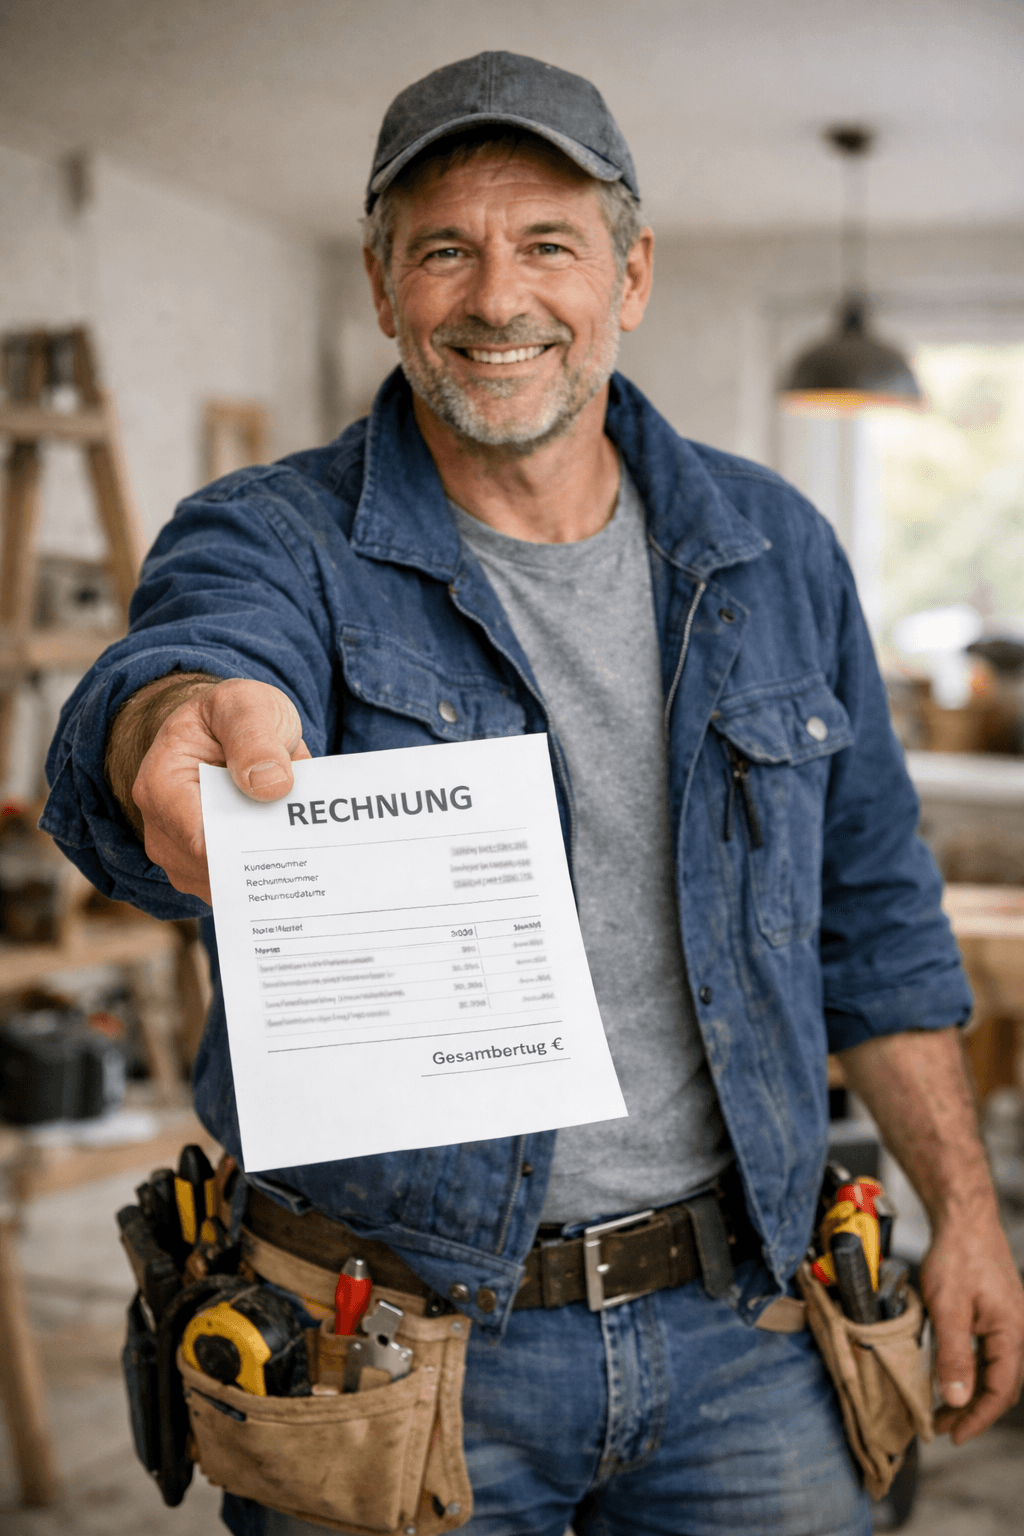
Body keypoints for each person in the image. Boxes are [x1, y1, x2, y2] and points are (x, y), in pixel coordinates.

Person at [44, 51, 1023, 1536]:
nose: (497, 297)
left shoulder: (777, 550)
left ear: (631, 277)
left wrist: (968, 1213)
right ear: (384, 288)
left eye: (548, 243)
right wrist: (175, 723)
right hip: (382, 1349)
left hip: (746, 1326)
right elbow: (183, 662)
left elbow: (877, 924)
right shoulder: (275, 536)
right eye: (445, 247)